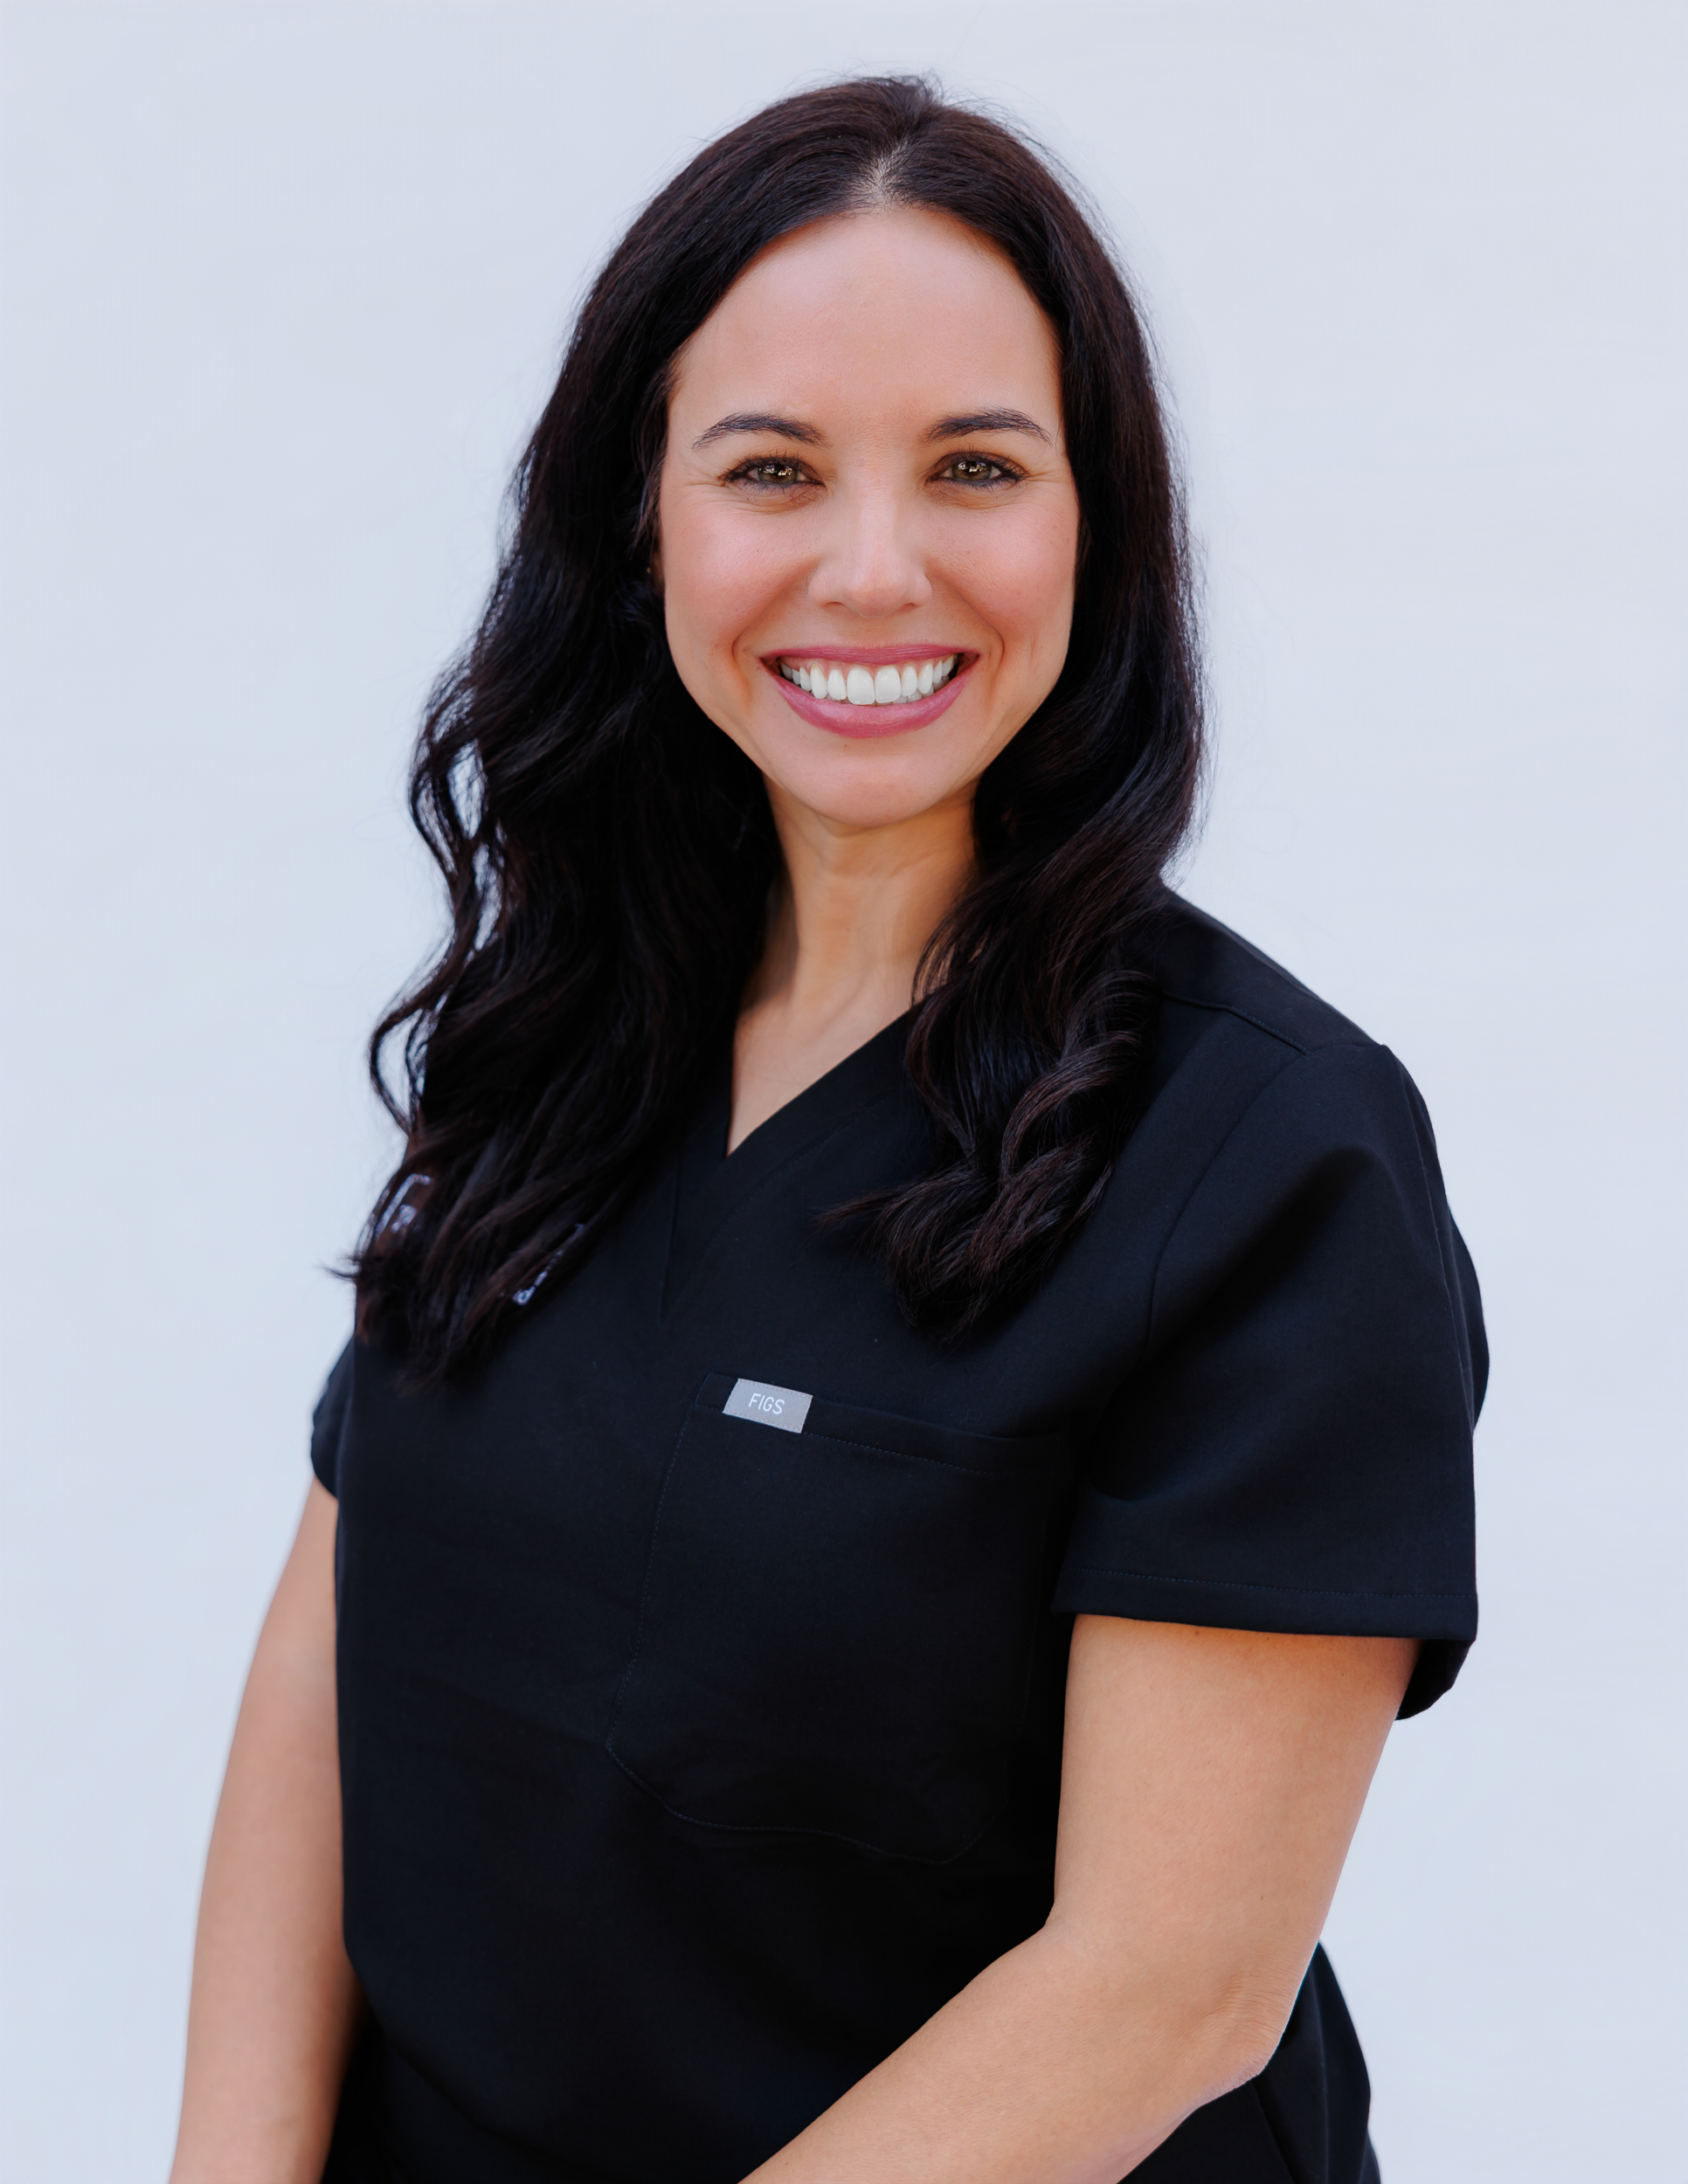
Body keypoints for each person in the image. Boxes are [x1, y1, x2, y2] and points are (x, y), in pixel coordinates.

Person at [168, 77, 1484, 2184]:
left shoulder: (1268, 1161)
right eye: (771, 468)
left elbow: (1163, 1983)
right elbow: (342, 1620)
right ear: (646, 521)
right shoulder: (568, 1030)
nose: (874, 568)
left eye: (977, 465)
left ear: (1096, 525)